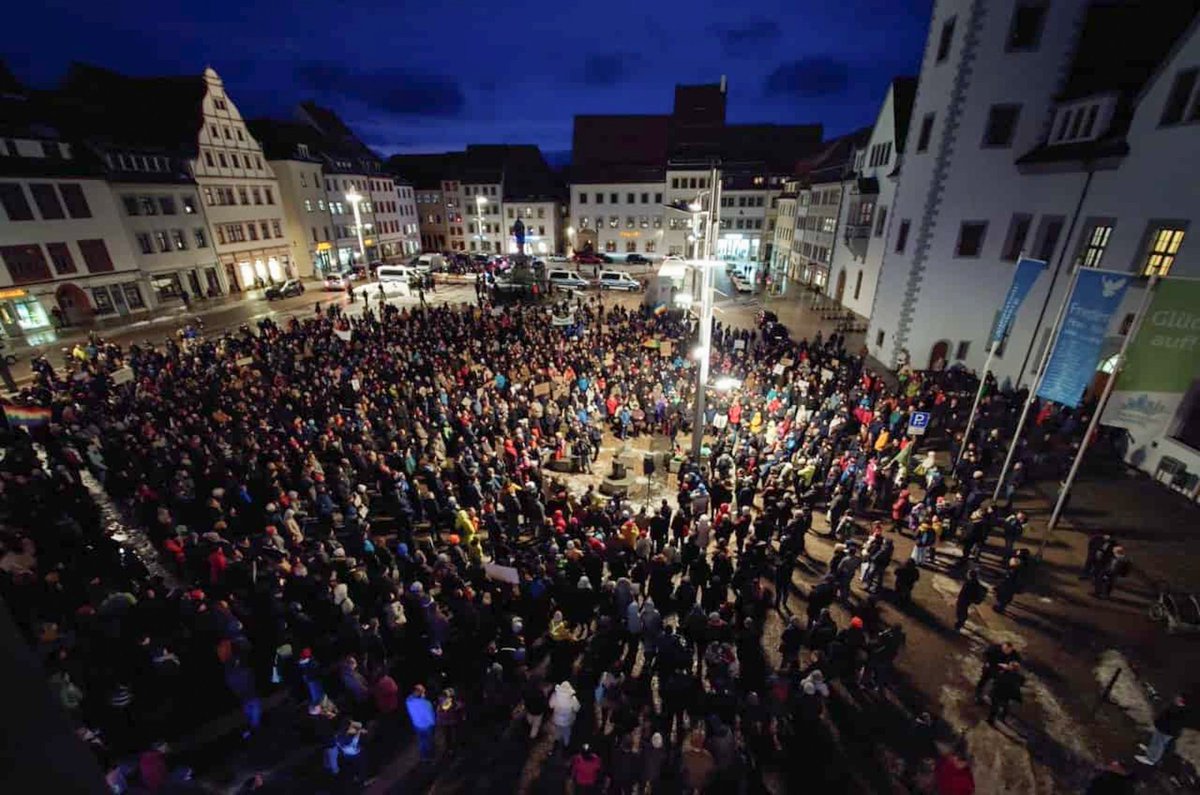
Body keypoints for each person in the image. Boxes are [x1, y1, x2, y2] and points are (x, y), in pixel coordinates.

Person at [1135, 693, 1189, 767]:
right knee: (1155, 740)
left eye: (1179, 698)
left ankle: (1151, 759)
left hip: (1167, 731)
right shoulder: (1175, 706)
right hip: (1162, 727)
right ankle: (1150, 751)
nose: (1176, 698)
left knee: (1159, 744)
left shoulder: (1181, 711)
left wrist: (1162, 725)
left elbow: (1173, 723)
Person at [987, 661, 1024, 725]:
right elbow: (1020, 684)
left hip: (999, 691)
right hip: (1008, 694)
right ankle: (1002, 717)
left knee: (995, 705)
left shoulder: (1004, 673)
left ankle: (991, 719)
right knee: (1005, 704)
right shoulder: (1020, 677)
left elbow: (997, 679)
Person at [405, 684, 436, 761]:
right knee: (428, 741)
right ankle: (429, 757)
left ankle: (423, 757)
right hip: (427, 726)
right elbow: (430, 715)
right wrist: (433, 723)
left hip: (417, 725)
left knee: (421, 741)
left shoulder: (409, 702)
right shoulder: (426, 703)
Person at [549, 680, 581, 749]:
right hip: (568, 720)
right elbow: (577, 708)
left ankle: (556, 742)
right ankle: (566, 745)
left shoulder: (555, 696)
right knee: (567, 732)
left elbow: (551, 705)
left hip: (557, 719)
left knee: (557, 730)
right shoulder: (572, 699)